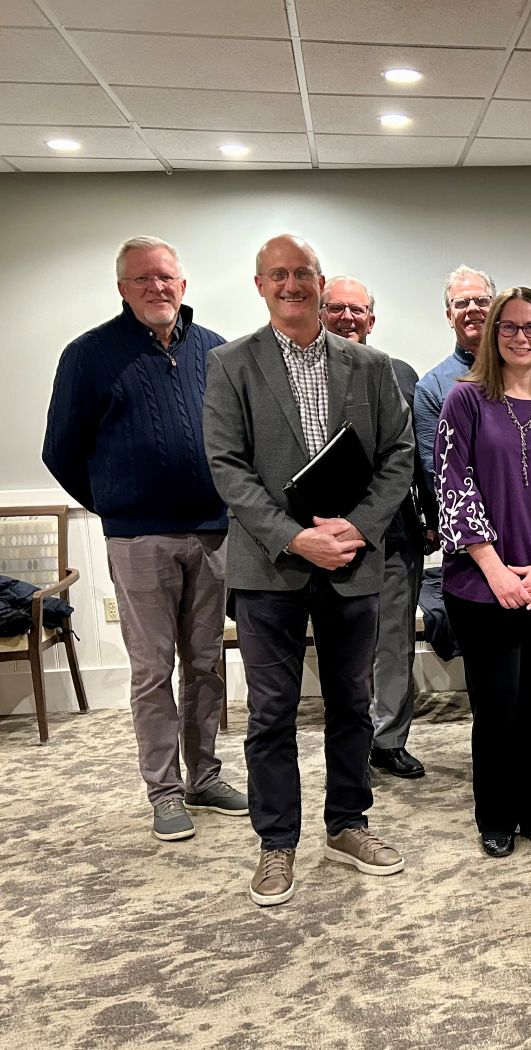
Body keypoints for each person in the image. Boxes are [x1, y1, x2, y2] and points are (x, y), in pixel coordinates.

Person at [204, 234, 414, 907]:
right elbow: (228, 469)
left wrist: (358, 527)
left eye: (303, 274)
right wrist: (296, 539)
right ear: (260, 284)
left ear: (321, 284)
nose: (291, 284)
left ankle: (347, 823)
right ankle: (276, 841)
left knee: (354, 705)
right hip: (270, 569)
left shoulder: (371, 366)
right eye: (279, 274)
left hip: (353, 561)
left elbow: (399, 457)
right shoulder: (230, 364)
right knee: (271, 713)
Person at [42, 235, 246, 843]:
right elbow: (60, 450)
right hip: (139, 539)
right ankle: (163, 789)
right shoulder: (89, 355)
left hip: (213, 532)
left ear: (183, 284)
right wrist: (114, 504)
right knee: (154, 669)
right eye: (142, 279)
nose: (157, 288)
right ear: (122, 289)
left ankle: (203, 775)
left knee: (205, 663)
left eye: (166, 278)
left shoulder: (217, 350)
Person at [434, 287, 531, 858]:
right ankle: (496, 815)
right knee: (496, 707)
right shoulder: (466, 401)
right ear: (493, 333)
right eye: (510, 327)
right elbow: (452, 487)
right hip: (481, 584)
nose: (521, 337)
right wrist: (495, 568)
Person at [320, 276, 434, 779]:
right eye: (336, 308)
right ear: (321, 313)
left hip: (397, 534)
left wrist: (431, 519)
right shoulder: (303, 375)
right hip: (326, 538)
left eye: (357, 310)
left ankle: (388, 741)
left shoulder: (400, 373)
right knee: (347, 648)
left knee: (394, 643)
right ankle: (351, 739)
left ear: (372, 318)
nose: (347, 318)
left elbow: (420, 459)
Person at [414, 264, 495, 481]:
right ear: (450, 316)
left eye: (481, 300)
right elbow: (436, 473)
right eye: (461, 303)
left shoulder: (523, 373)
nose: (472, 309)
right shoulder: (431, 388)